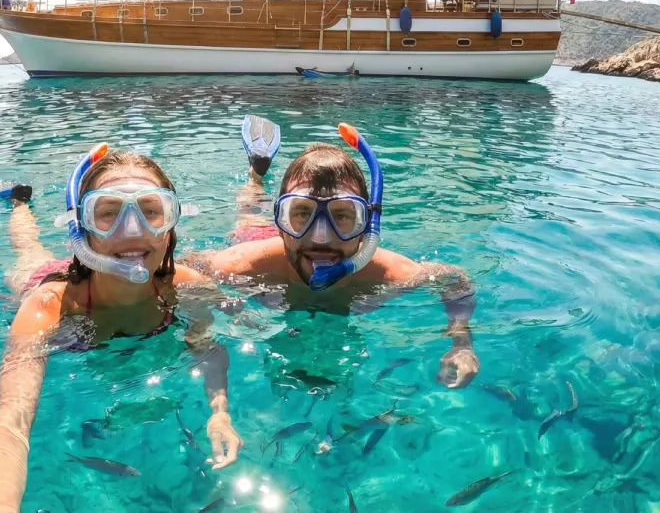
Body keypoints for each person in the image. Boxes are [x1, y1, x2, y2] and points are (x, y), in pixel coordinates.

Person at [0, 145, 242, 513]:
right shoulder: (48, 309)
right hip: (48, 281)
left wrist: (220, 411)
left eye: (152, 211)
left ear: (169, 228)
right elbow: (11, 423)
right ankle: (19, 202)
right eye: (107, 214)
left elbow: (208, 350)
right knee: (28, 254)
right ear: (80, 230)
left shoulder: (188, 287)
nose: (132, 230)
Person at [192, 118, 479, 389]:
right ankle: (256, 176)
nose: (321, 237)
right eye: (300, 212)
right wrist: (214, 309)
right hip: (260, 240)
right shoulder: (243, 264)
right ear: (281, 222)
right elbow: (187, 268)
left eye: (342, 215)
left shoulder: (393, 273)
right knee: (250, 215)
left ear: (367, 226)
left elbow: (456, 279)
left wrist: (461, 340)